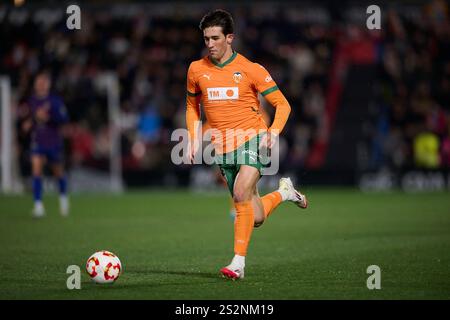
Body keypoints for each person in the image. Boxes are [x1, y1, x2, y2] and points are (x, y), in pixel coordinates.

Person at [185, 9, 308, 280]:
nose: (210, 44)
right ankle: (285, 193)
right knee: (256, 217)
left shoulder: (251, 69)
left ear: (230, 38)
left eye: (215, 38)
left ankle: (238, 264)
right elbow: (192, 107)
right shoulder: (196, 69)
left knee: (240, 192)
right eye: (206, 38)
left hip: (253, 137)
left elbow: (283, 105)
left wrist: (273, 132)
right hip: (223, 147)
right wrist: (193, 137)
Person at [21, 71, 70, 218]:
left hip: (53, 141)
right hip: (38, 141)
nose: (40, 84)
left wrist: (48, 117)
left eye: (43, 82)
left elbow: (64, 119)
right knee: (36, 169)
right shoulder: (31, 101)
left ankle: (63, 198)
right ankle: (38, 205)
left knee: (58, 172)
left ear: (47, 84)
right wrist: (27, 124)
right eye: (38, 82)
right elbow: (29, 119)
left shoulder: (54, 101)